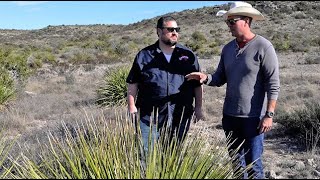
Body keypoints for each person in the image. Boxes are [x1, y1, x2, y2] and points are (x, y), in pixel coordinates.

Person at [185, 2, 280, 179]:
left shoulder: (263, 46)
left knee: (254, 167)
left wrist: (269, 115)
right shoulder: (228, 49)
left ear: (246, 20)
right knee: (236, 165)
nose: (228, 26)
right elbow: (220, 77)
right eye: (227, 22)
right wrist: (205, 78)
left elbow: (273, 84)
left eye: (231, 22)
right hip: (230, 117)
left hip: (254, 118)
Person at [126, 16, 203, 155]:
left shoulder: (188, 55)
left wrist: (198, 108)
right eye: (170, 29)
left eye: (177, 29)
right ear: (159, 31)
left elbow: (197, 84)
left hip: (180, 115)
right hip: (150, 117)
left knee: (173, 155)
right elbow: (133, 83)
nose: (175, 32)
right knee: (147, 156)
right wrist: (131, 107)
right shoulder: (144, 56)